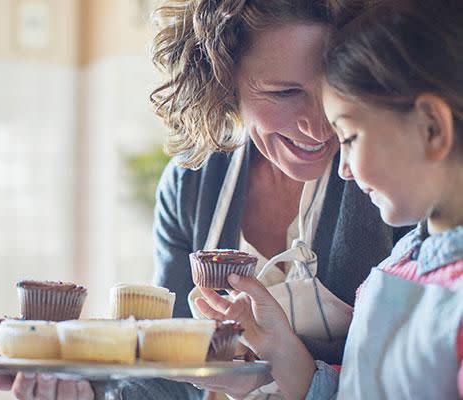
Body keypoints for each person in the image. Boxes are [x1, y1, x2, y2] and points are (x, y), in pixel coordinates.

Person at [0, 0, 410, 398]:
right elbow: (172, 376)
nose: (318, 127)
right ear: (224, 80)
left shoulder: (390, 181)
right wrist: (92, 394)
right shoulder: (190, 186)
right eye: (283, 93)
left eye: (333, 87)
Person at [197, 0, 463, 398]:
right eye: (286, 92)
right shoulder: (401, 263)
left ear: (431, 129)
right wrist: (278, 351)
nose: (342, 167)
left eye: (349, 138)